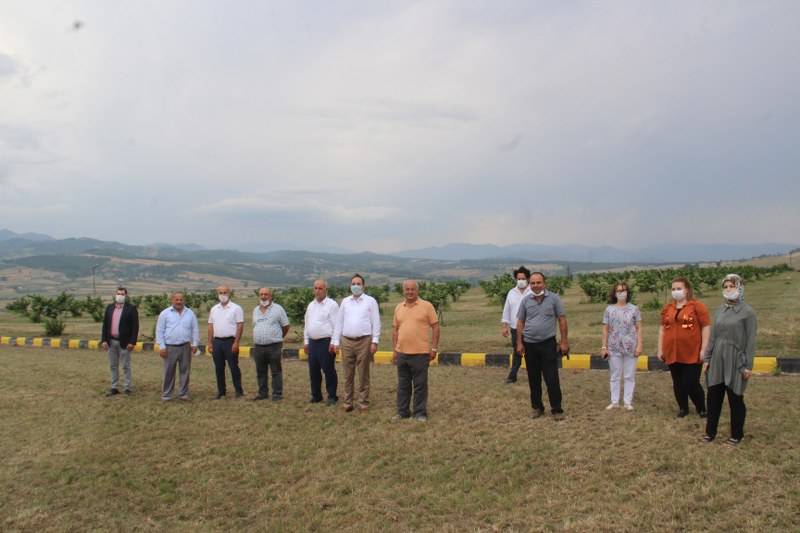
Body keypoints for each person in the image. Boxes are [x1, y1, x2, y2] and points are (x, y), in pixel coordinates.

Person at [702, 274, 757, 445]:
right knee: (713, 397)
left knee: (735, 398)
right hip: (718, 358)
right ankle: (710, 432)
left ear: (739, 288)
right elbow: (713, 336)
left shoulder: (747, 312)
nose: (728, 289)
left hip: (736, 360)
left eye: (731, 286)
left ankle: (736, 434)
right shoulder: (720, 310)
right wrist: (707, 358)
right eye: (725, 286)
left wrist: (747, 365)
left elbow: (750, 340)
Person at [516, 272, 569, 420]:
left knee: (552, 378)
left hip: (548, 344)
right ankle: (537, 407)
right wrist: (519, 343)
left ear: (544, 283)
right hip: (530, 345)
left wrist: (564, 341)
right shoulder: (526, 301)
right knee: (533, 379)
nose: (535, 285)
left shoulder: (554, 299)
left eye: (538, 282)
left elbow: (562, 320)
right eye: (532, 283)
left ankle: (557, 409)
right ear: (529, 284)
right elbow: (520, 322)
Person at [657, 276, 710, 418]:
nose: (676, 291)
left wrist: (704, 349)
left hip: (692, 351)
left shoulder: (697, 306)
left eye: (679, 288)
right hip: (672, 351)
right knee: (678, 382)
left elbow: (705, 327)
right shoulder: (668, 308)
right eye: (673, 289)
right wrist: (660, 349)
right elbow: (662, 328)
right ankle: (683, 407)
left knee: (691, 382)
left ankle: (701, 408)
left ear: (686, 290)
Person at [392, 280, 440, 422]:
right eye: (407, 289)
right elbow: (395, 330)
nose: (410, 292)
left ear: (417, 291)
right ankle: (403, 412)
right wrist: (395, 350)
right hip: (402, 353)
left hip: (420, 353)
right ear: (403, 291)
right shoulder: (398, 307)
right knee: (403, 385)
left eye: (412, 289)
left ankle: (419, 413)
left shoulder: (427, 306)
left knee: (420, 385)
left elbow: (436, 327)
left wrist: (434, 347)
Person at [332, 273, 381, 413]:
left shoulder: (370, 301)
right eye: (353, 283)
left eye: (358, 284)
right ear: (350, 286)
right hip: (346, 341)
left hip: (364, 341)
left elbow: (376, 322)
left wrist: (375, 341)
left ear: (363, 286)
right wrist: (335, 341)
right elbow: (339, 322)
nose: (355, 286)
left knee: (363, 373)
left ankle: (363, 402)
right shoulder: (345, 302)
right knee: (348, 374)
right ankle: (348, 402)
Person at [601, 282, 642, 411]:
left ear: (628, 292)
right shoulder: (609, 309)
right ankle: (614, 401)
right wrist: (604, 347)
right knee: (615, 375)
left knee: (629, 375)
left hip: (631, 346)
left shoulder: (634, 309)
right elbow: (605, 329)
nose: (621, 293)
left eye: (623, 290)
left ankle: (627, 401)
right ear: (614, 293)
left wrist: (639, 345)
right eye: (618, 291)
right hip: (614, 347)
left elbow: (639, 328)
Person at [156, 292, 200, 401]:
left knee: (185, 371)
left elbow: (195, 329)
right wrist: (162, 346)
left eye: (181, 299)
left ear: (184, 300)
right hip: (169, 347)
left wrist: (195, 344)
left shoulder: (190, 313)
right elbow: (159, 331)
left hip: (185, 346)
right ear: (172, 300)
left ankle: (183, 394)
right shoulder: (165, 314)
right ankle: (166, 395)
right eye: (176, 299)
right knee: (168, 371)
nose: (179, 302)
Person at [303, 279, 340, 406]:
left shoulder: (332, 305)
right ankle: (316, 395)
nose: (317, 291)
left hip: (326, 342)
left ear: (326, 290)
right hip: (312, 343)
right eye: (315, 288)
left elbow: (336, 326)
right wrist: (306, 341)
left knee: (328, 370)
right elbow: (307, 324)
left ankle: (332, 396)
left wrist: (334, 342)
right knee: (313, 370)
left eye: (320, 288)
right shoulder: (310, 305)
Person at [251, 287, 290, 401]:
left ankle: (277, 394)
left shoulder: (278, 309)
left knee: (276, 371)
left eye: (266, 294)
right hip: (258, 346)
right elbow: (255, 325)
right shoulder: (255, 310)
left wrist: (278, 337)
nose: (263, 296)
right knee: (260, 371)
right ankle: (262, 393)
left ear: (271, 296)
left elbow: (286, 326)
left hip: (274, 346)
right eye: (261, 294)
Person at [207, 285, 245, 399]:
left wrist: (236, 342)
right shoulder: (214, 309)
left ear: (229, 294)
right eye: (220, 292)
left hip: (230, 341)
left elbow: (240, 325)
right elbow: (210, 326)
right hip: (217, 342)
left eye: (225, 292)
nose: (222, 295)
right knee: (219, 368)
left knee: (234, 367)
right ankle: (221, 391)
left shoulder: (236, 308)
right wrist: (209, 343)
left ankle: (239, 391)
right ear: (217, 294)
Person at [100, 287, 139, 396]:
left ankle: (127, 388)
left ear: (126, 296)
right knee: (113, 365)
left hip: (125, 342)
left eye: (122, 294)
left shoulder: (131, 309)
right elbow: (105, 325)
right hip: (111, 341)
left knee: (126, 366)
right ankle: (114, 387)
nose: (120, 296)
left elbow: (135, 327)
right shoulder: (109, 308)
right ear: (115, 294)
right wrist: (104, 340)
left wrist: (132, 342)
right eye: (118, 294)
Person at [501, 265, 531, 384]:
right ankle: (512, 376)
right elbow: (506, 310)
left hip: (530, 328)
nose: (521, 281)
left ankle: (534, 376)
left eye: (523, 278)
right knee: (517, 352)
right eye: (518, 279)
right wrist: (505, 326)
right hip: (515, 329)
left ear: (528, 279)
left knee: (531, 354)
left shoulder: (532, 292)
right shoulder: (511, 293)